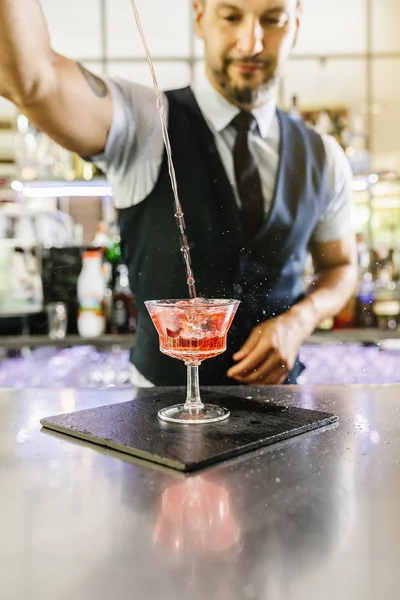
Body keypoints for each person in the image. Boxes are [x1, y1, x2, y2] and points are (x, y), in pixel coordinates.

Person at [0, 0, 357, 387]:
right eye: (231, 16)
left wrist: (299, 320)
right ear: (200, 15)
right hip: (157, 420)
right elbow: (32, 81)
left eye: (272, 20)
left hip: (281, 411)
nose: (251, 42)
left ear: (297, 24)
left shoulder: (324, 155)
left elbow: (340, 267)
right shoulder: (145, 120)